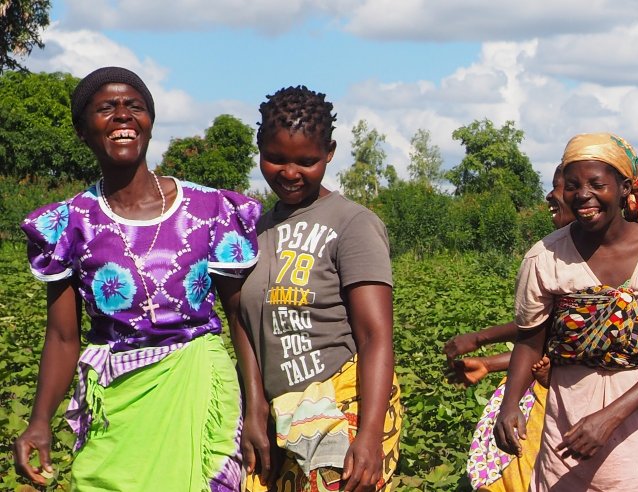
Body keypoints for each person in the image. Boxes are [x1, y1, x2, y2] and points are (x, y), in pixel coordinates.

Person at [12, 66, 258, 490]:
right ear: (82, 130)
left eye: (135, 107)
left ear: (149, 122)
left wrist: (257, 406)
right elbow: (63, 338)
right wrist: (38, 422)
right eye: (106, 108)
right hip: (118, 408)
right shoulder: (72, 222)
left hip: (198, 394)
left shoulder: (209, 209)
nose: (123, 116)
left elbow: (240, 315)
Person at [493, 133, 638, 491]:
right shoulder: (545, 257)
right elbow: (529, 341)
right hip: (567, 432)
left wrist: (609, 417)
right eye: (572, 185)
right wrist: (508, 406)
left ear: (624, 187)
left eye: (596, 184)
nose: (583, 194)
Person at [236, 86, 402, 492]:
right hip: (278, 412)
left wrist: (368, 436)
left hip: (342, 403)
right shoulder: (250, 228)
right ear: (259, 149)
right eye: (275, 158)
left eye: (306, 161)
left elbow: (375, 335)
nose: (289, 173)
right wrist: (255, 409)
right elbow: (243, 323)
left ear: (329, 152)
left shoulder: (352, 223)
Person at [449, 163, 573, 492]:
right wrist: (487, 362)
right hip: (537, 393)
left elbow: (540, 337)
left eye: (560, 186)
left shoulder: (606, 267)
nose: (550, 194)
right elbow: (537, 335)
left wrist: (480, 343)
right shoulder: (551, 256)